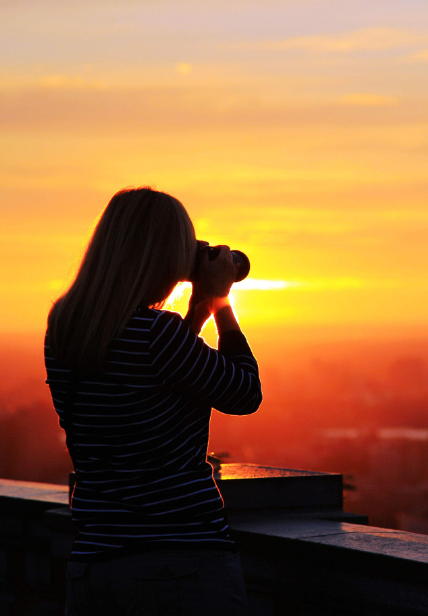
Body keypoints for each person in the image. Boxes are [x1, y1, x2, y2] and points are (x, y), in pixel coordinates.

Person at [44, 187, 261, 615]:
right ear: (163, 257)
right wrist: (220, 302)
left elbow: (162, 372)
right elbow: (244, 392)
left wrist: (195, 311)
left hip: (94, 563)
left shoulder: (65, 326)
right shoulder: (156, 335)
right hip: (177, 562)